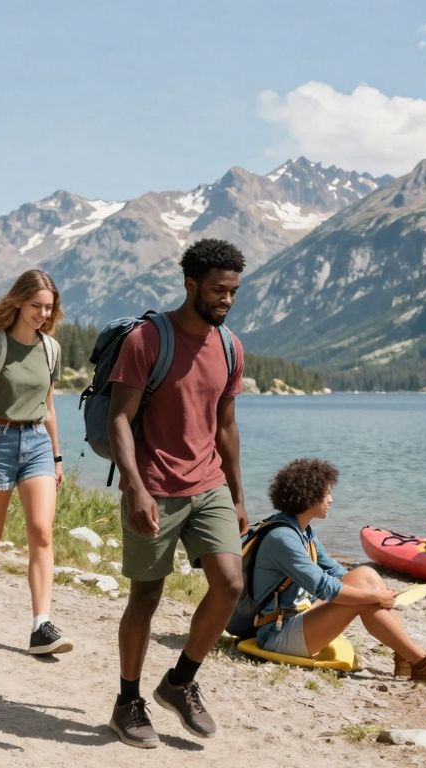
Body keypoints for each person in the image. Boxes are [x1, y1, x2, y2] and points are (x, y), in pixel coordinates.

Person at [106, 238, 248, 749]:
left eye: (232, 291)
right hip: (155, 486)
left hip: (208, 483)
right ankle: (127, 701)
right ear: (191, 284)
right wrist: (136, 488)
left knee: (230, 583)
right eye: (217, 290)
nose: (226, 300)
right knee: (146, 594)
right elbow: (118, 418)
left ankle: (180, 681)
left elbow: (227, 426)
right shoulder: (148, 338)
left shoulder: (230, 347)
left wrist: (237, 494)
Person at [229, 458, 426, 683]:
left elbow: (335, 572)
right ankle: (422, 663)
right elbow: (324, 588)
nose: (331, 500)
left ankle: (406, 658)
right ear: (309, 496)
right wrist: (375, 597)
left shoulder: (302, 530)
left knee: (367, 576)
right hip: (276, 635)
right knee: (365, 598)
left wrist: (379, 590)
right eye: (327, 493)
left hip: (294, 618)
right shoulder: (282, 537)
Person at [0, 269, 72, 656]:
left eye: (48, 308)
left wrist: (57, 457)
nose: (42, 313)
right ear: (19, 302)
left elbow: (50, 406)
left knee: (41, 531)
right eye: (36, 306)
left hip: (38, 441)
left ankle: (41, 624)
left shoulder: (51, 349)